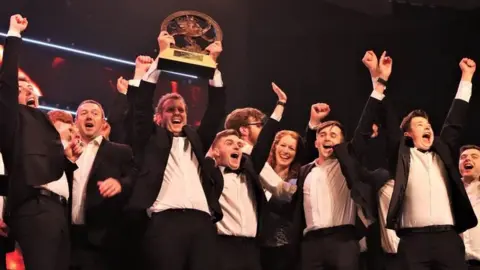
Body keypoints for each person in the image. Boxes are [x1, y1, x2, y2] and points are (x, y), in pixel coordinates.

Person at [126, 30, 226, 270]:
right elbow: (140, 106)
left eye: (181, 109)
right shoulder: (150, 139)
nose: (178, 113)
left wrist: (213, 67)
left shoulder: (197, 141)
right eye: (171, 109)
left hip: (203, 223)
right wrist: (162, 57)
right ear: (159, 117)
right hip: (165, 223)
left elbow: (216, 111)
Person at [377, 54, 477, 270]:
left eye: (428, 124)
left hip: (447, 237)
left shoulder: (442, 151)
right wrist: (380, 80)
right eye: (420, 124)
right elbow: (387, 119)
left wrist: (467, 78)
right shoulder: (402, 153)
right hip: (413, 241)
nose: (428, 127)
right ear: (408, 134)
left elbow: (455, 121)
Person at [0, 14, 82, 270]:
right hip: (34, 207)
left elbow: (49, 166)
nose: (30, 91)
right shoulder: (11, 118)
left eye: (31, 89)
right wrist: (14, 35)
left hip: (58, 212)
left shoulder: (42, 123)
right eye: (22, 88)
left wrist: (67, 159)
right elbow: (6, 84)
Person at [69, 100, 134, 270]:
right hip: (66, 237)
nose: (89, 116)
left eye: (95, 113)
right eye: (83, 113)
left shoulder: (120, 151)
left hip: (101, 239)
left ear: (103, 123)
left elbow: (135, 178)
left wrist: (120, 183)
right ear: (76, 122)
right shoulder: (66, 151)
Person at [260, 130, 304, 270]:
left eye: (291, 148)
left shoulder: (297, 178)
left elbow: (285, 197)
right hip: (256, 246)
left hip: (284, 248)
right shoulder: (260, 173)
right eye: (283, 145)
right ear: (274, 146)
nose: (286, 151)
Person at [459, 145, 480, 270]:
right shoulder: (450, 190)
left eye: (474, 157)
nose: (467, 159)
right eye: (463, 157)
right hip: (457, 264)